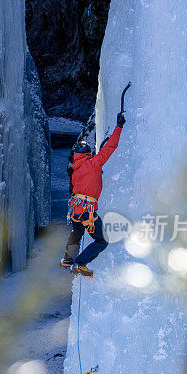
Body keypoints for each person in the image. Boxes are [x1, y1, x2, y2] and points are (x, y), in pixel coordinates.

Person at [61, 111, 126, 277]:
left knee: (78, 231)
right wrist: (119, 127)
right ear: (88, 153)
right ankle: (79, 263)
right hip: (86, 210)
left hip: (76, 209)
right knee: (102, 240)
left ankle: (68, 258)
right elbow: (110, 147)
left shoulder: (75, 170)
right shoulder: (93, 164)